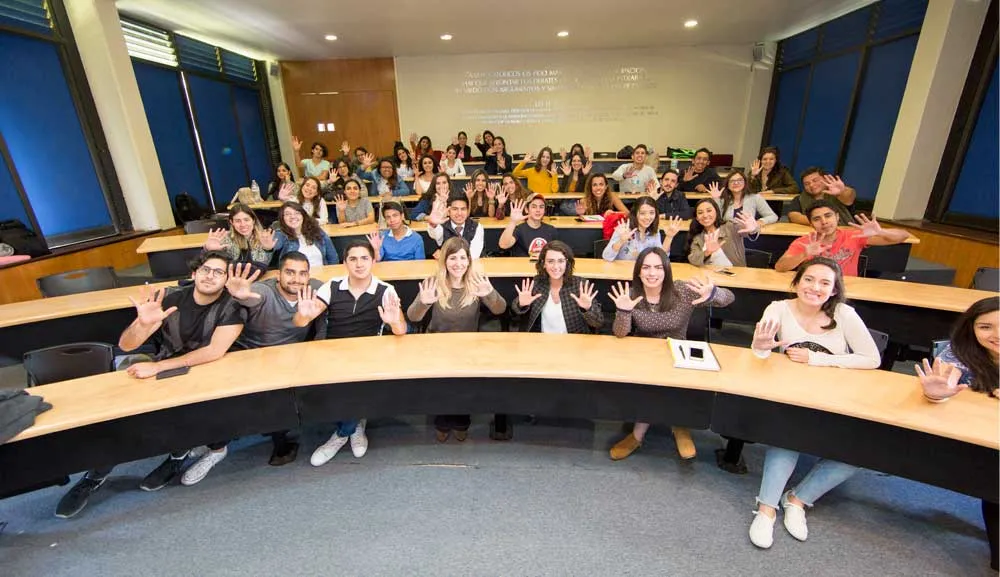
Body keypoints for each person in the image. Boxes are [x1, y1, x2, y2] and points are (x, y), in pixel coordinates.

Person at [55, 251, 246, 518]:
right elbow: (126, 345)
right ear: (194, 273)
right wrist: (143, 326)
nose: (210, 276)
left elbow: (213, 352)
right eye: (205, 269)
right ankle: (96, 475)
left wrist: (157, 367)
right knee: (120, 417)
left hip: (202, 371)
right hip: (164, 364)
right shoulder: (169, 299)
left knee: (185, 413)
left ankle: (177, 457)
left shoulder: (232, 307)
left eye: (218, 272)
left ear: (226, 279)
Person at [746, 257, 880, 549]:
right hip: (792, 394)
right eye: (808, 279)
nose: (815, 287)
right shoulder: (778, 308)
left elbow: (872, 359)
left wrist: (817, 358)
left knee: (858, 454)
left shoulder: (845, 314)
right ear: (797, 282)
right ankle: (766, 508)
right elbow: (760, 357)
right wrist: (760, 347)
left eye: (824, 283)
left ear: (833, 290)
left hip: (835, 397)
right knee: (788, 438)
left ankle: (797, 500)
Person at [607, 247, 734, 461]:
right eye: (646, 267)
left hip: (678, 352)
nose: (652, 273)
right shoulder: (630, 295)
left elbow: (728, 298)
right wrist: (623, 311)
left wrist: (713, 293)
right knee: (652, 386)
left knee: (673, 384)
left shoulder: (682, 290)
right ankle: (641, 435)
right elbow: (621, 333)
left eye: (658, 267)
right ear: (638, 272)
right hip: (643, 354)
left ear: (666, 270)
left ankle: (675, 425)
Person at [293, 241, 408, 466]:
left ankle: (342, 434)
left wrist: (394, 322)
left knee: (354, 389)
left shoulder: (386, 290)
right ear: (344, 262)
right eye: (352, 259)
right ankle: (355, 424)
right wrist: (303, 316)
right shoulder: (332, 286)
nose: (358, 264)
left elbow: (401, 330)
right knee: (337, 392)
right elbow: (301, 321)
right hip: (334, 352)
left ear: (373, 261)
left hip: (369, 355)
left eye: (364, 258)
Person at [915, 296, 999, 570]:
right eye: (985, 327)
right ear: (971, 329)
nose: (996, 335)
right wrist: (935, 394)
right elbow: (944, 383)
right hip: (979, 439)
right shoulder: (958, 353)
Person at [226, 254, 327, 467]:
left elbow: (325, 316)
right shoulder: (264, 290)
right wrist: (242, 296)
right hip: (251, 353)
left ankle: (280, 431)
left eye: (302, 273)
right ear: (278, 274)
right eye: (290, 272)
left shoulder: (314, 289)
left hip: (289, 355)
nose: (296, 279)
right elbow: (253, 297)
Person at [406, 237, 507, 441]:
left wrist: (490, 294)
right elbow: (412, 316)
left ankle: (462, 421)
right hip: (437, 346)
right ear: (444, 261)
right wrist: (423, 303)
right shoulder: (433, 283)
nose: (458, 263)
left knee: (463, 389)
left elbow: (500, 309)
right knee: (441, 389)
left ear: (469, 260)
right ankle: (442, 422)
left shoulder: (477, 283)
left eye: (462, 258)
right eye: (453, 258)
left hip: (468, 347)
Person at [774, 202, 911, 276]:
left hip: (846, 290)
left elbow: (903, 236)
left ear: (837, 217)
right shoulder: (805, 242)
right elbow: (780, 266)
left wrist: (881, 231)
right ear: (811, 224)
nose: (824, 222)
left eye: (828, 216)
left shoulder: (854, 236)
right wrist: (805, 254)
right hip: (815, 291)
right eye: (817, 219)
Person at [510, 240, 603, 334]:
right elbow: (515, 311)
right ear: (543, 264)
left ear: (567, 263)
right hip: (541, 342)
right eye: (550, 261)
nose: (556, 266)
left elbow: (598, 323)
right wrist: (521, 305)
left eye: (561, 261)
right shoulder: (537, 283)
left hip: (574, 343)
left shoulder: (580, 285)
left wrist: (587, 309)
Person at [603, 197, 682, 261]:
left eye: (651, 213)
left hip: (644, 275)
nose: (647, 217)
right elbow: (607, 257)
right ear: (635, 214)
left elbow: (661, 258)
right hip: (623, 274)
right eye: (642, 213)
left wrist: (669, 237)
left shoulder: (654, 231)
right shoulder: (624, 229)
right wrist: (621, 241)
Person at [687, 198, 761, 268]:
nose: (705, 215)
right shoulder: (698, 237)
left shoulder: (730, 227)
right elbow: (693, 259)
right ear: (697, 218)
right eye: (700, 213)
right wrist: (707, 252)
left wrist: (753, 230)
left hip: (736, 276)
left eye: (709, 211)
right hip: (710, 276)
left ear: (716, 212)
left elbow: (748, 232)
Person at [203, 204, 275, 268]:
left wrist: (267, 250)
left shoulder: (264, 237)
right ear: (232, 222)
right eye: (238, 221)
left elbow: (262, 266)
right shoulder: (224, 238)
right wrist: (208, 250)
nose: (243, 225)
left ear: (253, 220)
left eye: (246, 220)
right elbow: (207, 264)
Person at [272, 201, 340, 268]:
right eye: (287, 214)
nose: (293, 216)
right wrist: (267, 249)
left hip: (322, 275)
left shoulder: (317, 231)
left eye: (297, 213)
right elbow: (274, 245)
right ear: (282, 218)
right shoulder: (281, 234)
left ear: (303, 216)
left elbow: (333, 258)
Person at [787, 168, 856, 226]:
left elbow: (849, 198)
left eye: (815, 180)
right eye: (807, 184)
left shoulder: (839, 193)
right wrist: (820, 223)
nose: (811, 185)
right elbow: (793, 216)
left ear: (825, 179)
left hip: (843, 233)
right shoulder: (799, 198)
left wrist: (841, 192)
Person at [499, 194, 558, 259]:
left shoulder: (551, 230)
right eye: (534, 207)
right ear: (526, 210)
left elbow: (556, 253)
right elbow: (503, 245)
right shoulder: (519, 229)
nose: (538, 210)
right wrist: (513, 221)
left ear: (544, 211)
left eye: (541, 207)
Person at [427, 192, 484, 259]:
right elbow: (434, 233)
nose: (459, 213)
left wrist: (444, 255)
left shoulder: (476, 227)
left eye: (463, 209)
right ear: (448, 211)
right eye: (455, 209)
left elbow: (474, 255)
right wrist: (433, 224)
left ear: (468, 211)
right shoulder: (443, 225)